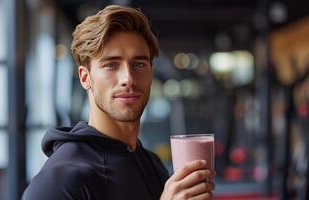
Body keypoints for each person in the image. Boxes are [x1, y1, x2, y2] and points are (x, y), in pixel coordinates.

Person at [22, 5, 215, 200]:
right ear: (85, 77)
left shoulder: (152, 164)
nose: (128, 78)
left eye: (139, 64)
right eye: (111, 65)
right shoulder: (60, 180)